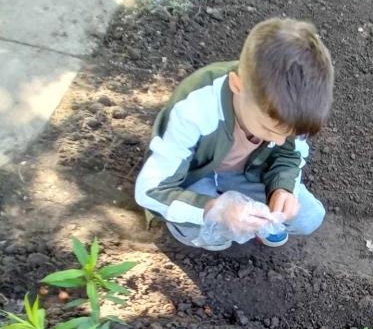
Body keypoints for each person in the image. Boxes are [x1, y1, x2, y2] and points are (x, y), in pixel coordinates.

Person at [134, 17, 334, 250]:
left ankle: (251, 223)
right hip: (195, 177)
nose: (280, 141)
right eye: (269, 130)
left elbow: (291, 155)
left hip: (248, 171)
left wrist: (283, 188)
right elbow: (149, 191)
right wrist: (212, 209)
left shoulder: (292, 108)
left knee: (309, 217)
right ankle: (197, 226)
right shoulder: (193, 109)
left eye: (288, 135)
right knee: (212, 236)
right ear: (237, 86)